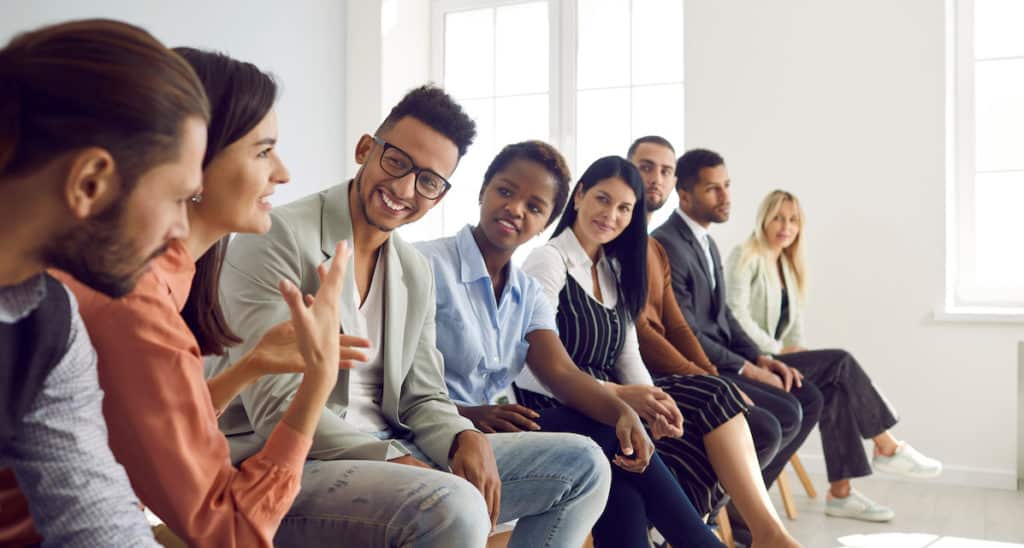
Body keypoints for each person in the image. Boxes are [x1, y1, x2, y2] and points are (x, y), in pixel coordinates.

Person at [209, 86, 611, 548]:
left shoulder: (413, 270)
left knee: (584, 464)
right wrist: (395, 459)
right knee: (453, 505)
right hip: (286, 465)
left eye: (428, 181)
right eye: (396, 162)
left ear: (439, 196)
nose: (403, 189)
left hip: (394, 450)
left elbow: (423, 395)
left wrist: (463, 437)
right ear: (365, 149)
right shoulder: (277, 238)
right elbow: (275, 410)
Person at [48, 49, 376, 547]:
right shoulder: (135, 304)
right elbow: (232, 532)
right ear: (191, 164)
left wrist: (252, 366)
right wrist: (318, 380)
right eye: (263, 152)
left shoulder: (155, 277)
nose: (284, 173)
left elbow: (138, 428)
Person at [419, 141, 736, 548]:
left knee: (618, 460)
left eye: (535, 207)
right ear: (483, 189)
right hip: (445, 431)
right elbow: (401, 384)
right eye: (505, 191)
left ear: (548, 214)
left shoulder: (526, 291)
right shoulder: (425, 264)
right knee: (605, 441)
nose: (516, 209)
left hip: (503, 429)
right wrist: (465, 415)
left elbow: (562, 370)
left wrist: (627, 411)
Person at [0, 19, 209, 546]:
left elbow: (95, 515)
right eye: (178, 198)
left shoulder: (51, 325)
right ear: (90, 182)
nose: (181, 229)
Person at [512, 154, 750, 547]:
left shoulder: (612, 272)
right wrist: (622, 400)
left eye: (625, 208)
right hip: (542, 410)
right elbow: (530, 368)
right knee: (618, 434)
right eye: (603, 199)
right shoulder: (548, 261)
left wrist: (654, 403)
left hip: (601, 415)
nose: (611, 215)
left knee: (624, 485)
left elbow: (629, 358)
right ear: (579, 196)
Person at [724, 189, 942, 521]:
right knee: (841, 360)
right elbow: (735, 315)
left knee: (835, 386)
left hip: (779, 358)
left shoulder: (789, 266)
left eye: (793, 219)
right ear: (764, 219)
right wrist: (777, 350)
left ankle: (840, 494)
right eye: (778, 217)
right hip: (752, 360)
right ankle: (886, 445)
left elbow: (795, 329)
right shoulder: (745, 255)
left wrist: (797, 351)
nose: (786, 226)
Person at [627, 136, 798, 545]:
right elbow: (642, 332)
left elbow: (679, 326)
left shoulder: (653, 246)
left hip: (680, 369)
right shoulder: (633, 240)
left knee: (783, 408)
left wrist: (717, 377)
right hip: (640, 375)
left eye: (665, 171)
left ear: (674, 183)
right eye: (646, 167)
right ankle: (709, 523)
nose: (656, 178)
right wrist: (715, 379)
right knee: (765, 423)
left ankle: (718, 522)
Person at [651, 148, 824, 509]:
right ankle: (730, 508)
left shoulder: (707, 242)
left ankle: (742, 511)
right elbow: (688, 332)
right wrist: (749, 370)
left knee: (807, 397)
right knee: (786, 413)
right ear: (684, 195)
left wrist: (762, 358)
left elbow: (725, 317)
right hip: (698, 363)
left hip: (725, 357)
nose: (727, 197)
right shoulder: (668, 243)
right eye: (714, 189)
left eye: (727, 186)